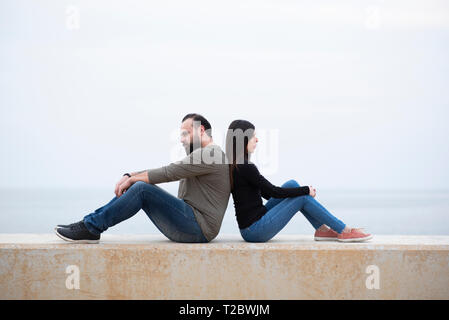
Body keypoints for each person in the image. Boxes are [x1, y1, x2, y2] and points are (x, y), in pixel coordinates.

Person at [55, 113, 231, 243]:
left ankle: (90, 227)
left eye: (186, 134)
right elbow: (170, 169)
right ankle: (89, 224)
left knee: (141, 189)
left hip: (198, 227)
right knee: (140, 187)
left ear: (201, 130)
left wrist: (133, 179)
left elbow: (170, 172)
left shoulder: (211, 154)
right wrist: (130, 175)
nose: (182, 140)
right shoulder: (203, 155)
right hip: (192, 224)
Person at [225, 119, 372, 243]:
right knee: (301, 196)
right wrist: (305, 190)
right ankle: (344, 230)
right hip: (255, 230)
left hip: (253, 224)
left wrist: (298, 190)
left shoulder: (237, 164)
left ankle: (322, 230)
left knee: (292, 184)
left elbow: (268, 194)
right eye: (253, 136)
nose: (257, 140)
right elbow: (273, 192)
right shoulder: (244, 166)